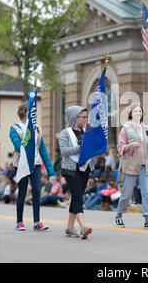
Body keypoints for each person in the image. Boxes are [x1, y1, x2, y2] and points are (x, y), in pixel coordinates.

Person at [10, 102, 54, 231]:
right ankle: (19, 221)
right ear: (25, 111)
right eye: (32, 110)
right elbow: (18, 146)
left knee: (36, 191)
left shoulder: (37, 128)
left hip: (36, 164)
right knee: (22, 192)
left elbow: (42, 149)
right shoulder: (15, 128)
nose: (34, 112)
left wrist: (50, 169)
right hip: (22, 164)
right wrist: (27, 139)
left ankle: (37, 222)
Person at [115, 104, 148, 230]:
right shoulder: (125, 128)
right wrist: (130, 146)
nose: (138, 113)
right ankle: (119, 215)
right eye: (135, 111)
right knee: (127, 193)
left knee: (147, 193)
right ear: (131, 113)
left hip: (146, 164)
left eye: (140, 111)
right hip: (130, 165)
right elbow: (120, 147)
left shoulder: (146, 128)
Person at [59, 105, 95, 239]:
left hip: (85, 167)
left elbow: (92, 148)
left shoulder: (87, 131)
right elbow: (64, 151)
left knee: (76, 196)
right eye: (83, 117)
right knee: (78, 195)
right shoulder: (65, 133)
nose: (85, 119)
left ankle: (69, 227)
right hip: (70, 169)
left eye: (86, 117)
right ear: (75, 117)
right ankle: (83, 226)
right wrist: (79, 147)